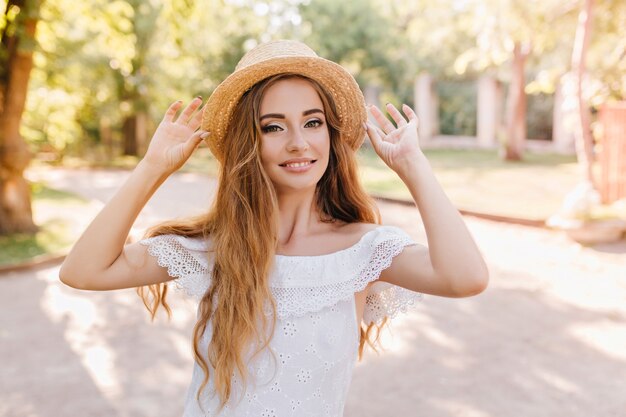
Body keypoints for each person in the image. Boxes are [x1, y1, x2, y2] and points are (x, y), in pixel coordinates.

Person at [60, 40, 489, 416]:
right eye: (273, 127)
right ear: (251, 142)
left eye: (313, 122)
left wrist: (413, 168)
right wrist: (153, 167)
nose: (298, 142)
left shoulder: (364, 250)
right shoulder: (213, 249)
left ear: (330, 135)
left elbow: (465, 277)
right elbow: (83, 271)